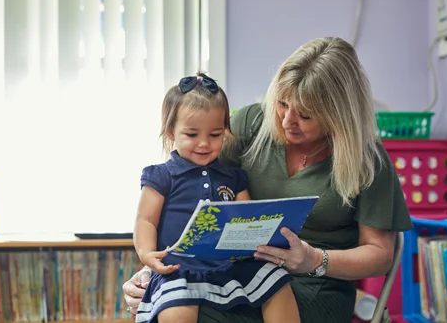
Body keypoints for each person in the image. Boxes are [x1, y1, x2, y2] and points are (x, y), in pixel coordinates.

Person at [124, 37, 413, 323]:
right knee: (171, 306)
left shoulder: (367, 159)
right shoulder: (251, 124)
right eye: (283, 104)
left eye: (306, 114)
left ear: (339, 115)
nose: (288, 120)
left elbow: (379, 255)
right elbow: (188, 196)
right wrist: (155, 272)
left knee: (201, 317)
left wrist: (314, 259)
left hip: (316, 285)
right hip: (235, 269)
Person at [132, 72, 300, 323]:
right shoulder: (162, 176)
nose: (204, 144)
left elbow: (249, 218)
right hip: (179, 268)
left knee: (278, 284)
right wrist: (146, 254)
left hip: (230, 265)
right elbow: (145, 220)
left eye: (215, 135)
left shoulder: (233, 177)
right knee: (175, 312)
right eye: (191, 135)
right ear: (170, 132)